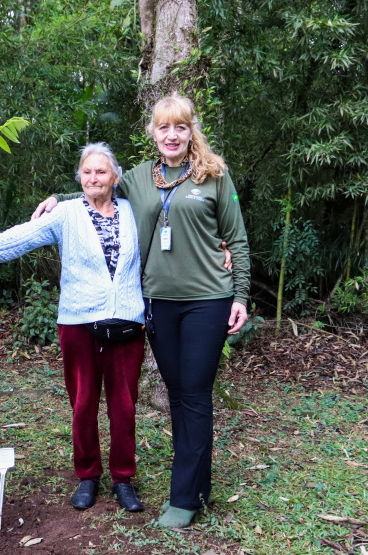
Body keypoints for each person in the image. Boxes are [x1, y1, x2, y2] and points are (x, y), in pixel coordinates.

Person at [32, 94, 250, 527]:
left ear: (191, 131)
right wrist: (58, 197)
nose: (172, 135)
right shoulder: (138, 178)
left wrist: (240, 295)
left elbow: (237, 239)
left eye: (180, 127)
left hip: (208, 300)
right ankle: (197, 485)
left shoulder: (214, 175)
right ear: (153, 133)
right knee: (177, 393)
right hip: (158, 304)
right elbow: (98, 186)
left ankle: (184, 499)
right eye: (164, 127)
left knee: (195, 393)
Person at [0, 143, 147, 512]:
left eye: (101, 171)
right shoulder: (66, 213)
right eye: (87, 172)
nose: (93, 178)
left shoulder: (133, 211)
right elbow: (25, 235)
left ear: (116, 177)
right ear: (79, 177)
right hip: (78, 321)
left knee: (124, 405)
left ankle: (123, 479)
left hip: (128, 321)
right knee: (83, 403)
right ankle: (88, 475)